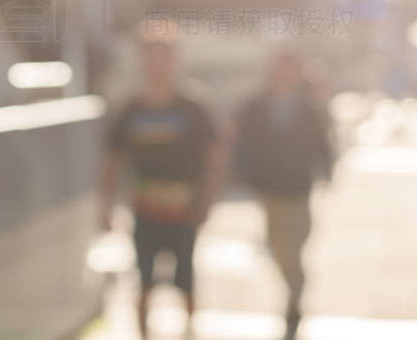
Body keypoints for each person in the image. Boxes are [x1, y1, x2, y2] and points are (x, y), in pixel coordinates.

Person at [101, 24, 223, 338]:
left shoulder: (192, 107)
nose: (157, 65)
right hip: (145, 211)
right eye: (150, 57)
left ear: (174, 60)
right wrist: (105, 205)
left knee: (185, 279)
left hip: (184, 210)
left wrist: (207, 198)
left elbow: (215, 155)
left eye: (163, 57)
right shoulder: (132, 109)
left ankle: (189, 331)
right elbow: (113, 160)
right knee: (143, 281)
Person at [234, 45, 334, 340]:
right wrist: (244, 172)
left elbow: (321, 141)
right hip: (271, 187)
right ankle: (293, 290)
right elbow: (245, 142)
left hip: (299, 187)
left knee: (297, 241)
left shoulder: (308, 108)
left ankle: (295, 294)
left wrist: (327, 170)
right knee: (278, 246)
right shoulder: (257, 105)